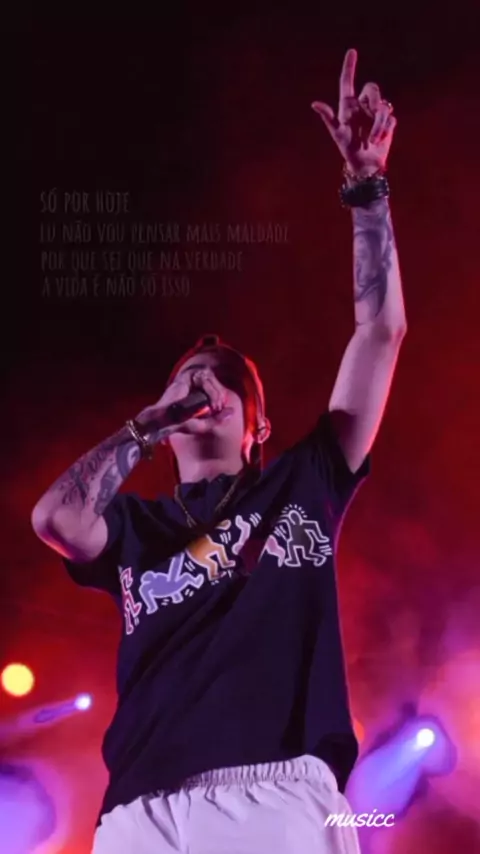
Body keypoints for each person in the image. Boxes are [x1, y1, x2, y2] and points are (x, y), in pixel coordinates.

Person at [31, 49, 407, 854]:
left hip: (277, 794)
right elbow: (54, 519)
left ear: (258, 428)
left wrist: (366, 187)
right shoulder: (135, 530)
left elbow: (381, 331)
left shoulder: (305, 479)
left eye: (229, 380)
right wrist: (147, 422)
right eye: (191, 377)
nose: (207, 384)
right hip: (138, 813)